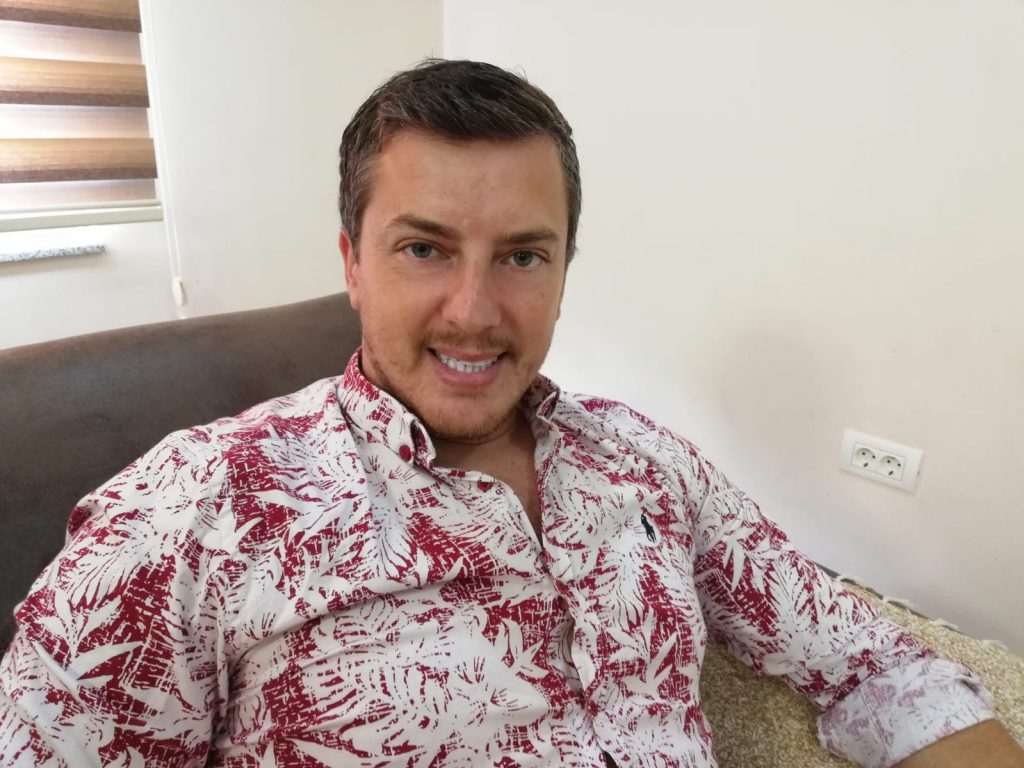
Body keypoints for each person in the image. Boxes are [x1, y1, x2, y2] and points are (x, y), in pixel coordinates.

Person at [0, 59, 1020, 768]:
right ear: (352, 262)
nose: (474, 312)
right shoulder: (195, 510)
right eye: (424, 248)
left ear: (564, 269)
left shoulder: (644, 463)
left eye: (523, 255)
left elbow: (873, 662)